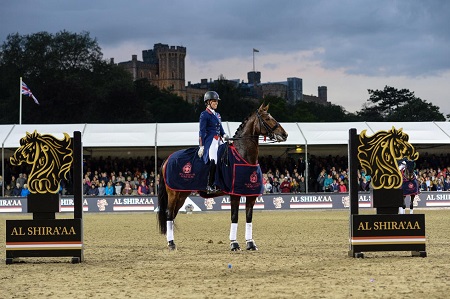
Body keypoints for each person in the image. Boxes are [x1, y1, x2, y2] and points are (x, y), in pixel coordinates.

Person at [198, 91, 228, 193]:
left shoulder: (218, 115)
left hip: (219, 139)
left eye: (217, 101)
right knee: (214, 160)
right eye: (214, 101)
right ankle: (209, 185)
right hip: (211, 141)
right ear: (208, 102)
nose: (216, 103)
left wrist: (224, 135)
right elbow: (201, 131)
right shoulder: (204, 114)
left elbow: (221, 128)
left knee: (227, 157)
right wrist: (201, 146)